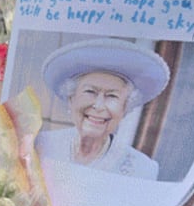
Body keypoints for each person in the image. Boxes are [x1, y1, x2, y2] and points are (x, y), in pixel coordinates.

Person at [35, 38, 170, 180]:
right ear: (71, 99)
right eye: (90, 92)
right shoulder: (40, 145)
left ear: (125, 108)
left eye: (112, 96)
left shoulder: (142, 169)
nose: (99, 106)